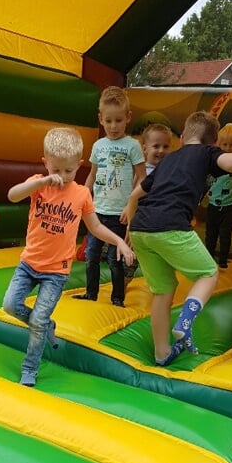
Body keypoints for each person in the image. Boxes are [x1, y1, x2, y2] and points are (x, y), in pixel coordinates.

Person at [124, 112, 232, 366]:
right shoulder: (206, 153)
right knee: (209, 273)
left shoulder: (167, 161)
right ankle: (186, 320)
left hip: (141, 228)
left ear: (181, 138)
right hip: (170, 223)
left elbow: (135, 194)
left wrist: (131, 230)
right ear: (212, 142)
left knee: (163, 290)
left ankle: (161, 353)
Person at [3, 127, 135, 386]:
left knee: (38, 320)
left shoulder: (81, 194)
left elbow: (95, 227)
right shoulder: (38, 185)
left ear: (79, 166)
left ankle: (30, 368)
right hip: (29, 263)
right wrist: (42, 181)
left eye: (68, 171)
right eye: (56, 170)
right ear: (45, 163)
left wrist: (119, 240)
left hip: (56, 272)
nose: (61, 177)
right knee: (9, 304)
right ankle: (44, 326)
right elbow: (12, 195)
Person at [73, 86, 144, 306]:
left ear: (128, 118)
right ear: (101, 119)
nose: (113, 126)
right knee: (91, 256)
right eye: (109, 121)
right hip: (97, 211)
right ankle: (91, 293)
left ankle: (117, 298)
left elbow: (142, 177)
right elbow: (92, 175)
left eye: (119, 120)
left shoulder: (132, 146)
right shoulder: (98, 145)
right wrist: (83, 200)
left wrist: (130, 206)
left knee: (115, 260)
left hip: (119, 214)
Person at [203, 123, 232, 268]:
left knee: (225, 234)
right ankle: (208, 260)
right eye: (225, 144)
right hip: (214, 205)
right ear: (218, 144)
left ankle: (222, 261)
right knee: (211, 234)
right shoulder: (215, 163)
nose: (228, 148)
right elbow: (206, 180)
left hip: (231, 206)